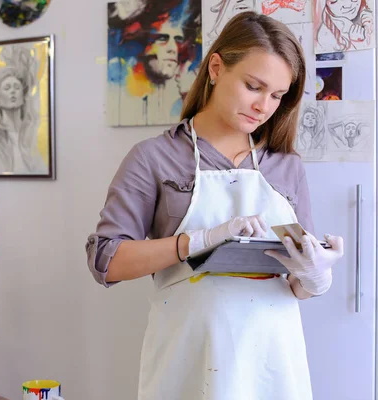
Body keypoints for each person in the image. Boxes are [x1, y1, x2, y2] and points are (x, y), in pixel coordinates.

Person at [86, 12, 345, 400]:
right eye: (253, 86)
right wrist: (197, 241)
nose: (263, 107)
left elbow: (295, 281)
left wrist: (315, 277)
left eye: (277, 96)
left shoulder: (286, 166)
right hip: (189, 361)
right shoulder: (155, 158)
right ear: (217, 67)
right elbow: (106, 262)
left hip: (273, 365)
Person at [0, 45, 47, 174]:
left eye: (16, 87)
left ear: (23, 96)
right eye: (7, 88)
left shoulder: (32, 131)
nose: (13, 91)